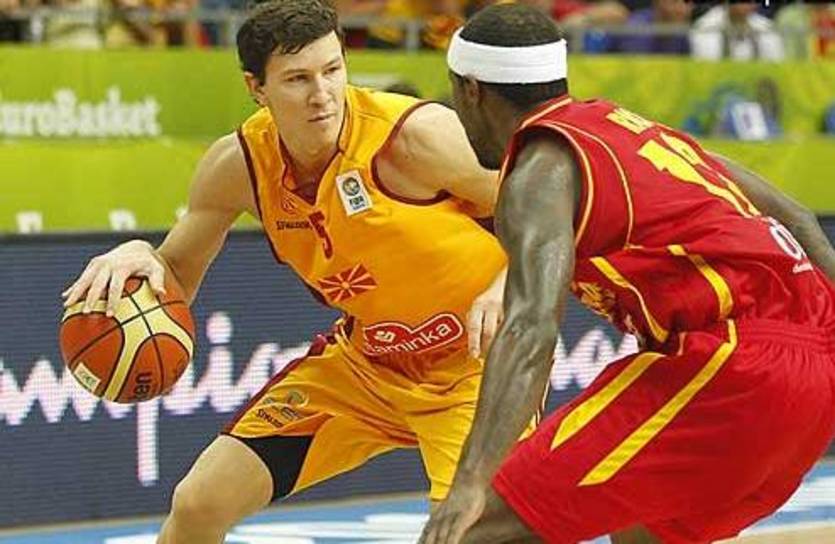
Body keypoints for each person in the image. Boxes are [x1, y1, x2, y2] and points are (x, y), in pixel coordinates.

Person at [61, 1, 517, 542]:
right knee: (199, 503)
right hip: (367, 366)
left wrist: (506, 286)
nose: (322, 94)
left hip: (476, 368)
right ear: (256, 88)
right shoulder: (238, 165)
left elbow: (549, 212)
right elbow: (178, 273)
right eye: (298, 79)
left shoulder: (417, 138)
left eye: (332, 70)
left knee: (469, 533)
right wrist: (141, 255)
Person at [421, 3, 835, 543]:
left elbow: (532, 328)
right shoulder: (633, 128)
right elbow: (800, 219)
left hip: (736, 365)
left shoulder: (542, 167)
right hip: (816, 374)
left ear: (471, 90)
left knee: (472, 528)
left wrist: (470, 482)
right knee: (636, 528)